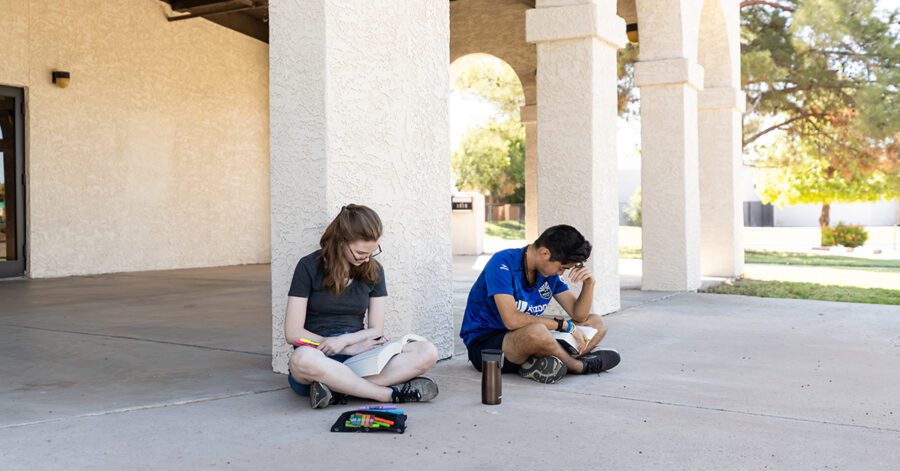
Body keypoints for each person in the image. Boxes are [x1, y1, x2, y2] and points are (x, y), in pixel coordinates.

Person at [284, 204, 439, 408]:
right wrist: (337, 345)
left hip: (360, 356)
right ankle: (386, 395)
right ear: (341, 241)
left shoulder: (374, 271)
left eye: (372, 252)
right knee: (301, 358)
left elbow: (376, 328)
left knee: (427, 351)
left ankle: (337, 389)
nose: (366, 258)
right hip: (318, 358)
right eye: (360, 252)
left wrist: (348, 343)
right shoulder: (308, 266)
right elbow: (293, 333)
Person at [460, 224, 621, 384]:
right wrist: (563, 325)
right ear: (544, 252)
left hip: (529, 337)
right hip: (487, 345)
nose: (560, 273)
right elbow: (512, 320)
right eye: (561, 268)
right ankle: (578, 366)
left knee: (596, 322)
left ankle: (544, 362)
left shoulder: (548, 273)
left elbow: (579, 314)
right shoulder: (502, 262)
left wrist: (589, 284)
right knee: (537, 332)